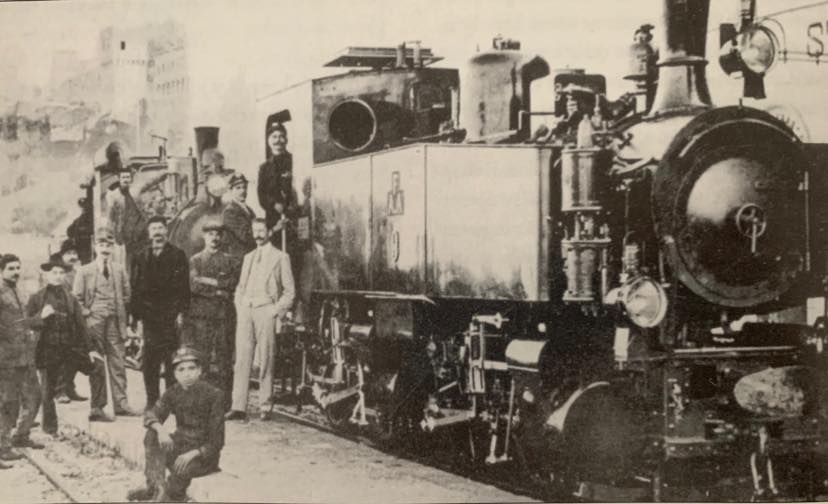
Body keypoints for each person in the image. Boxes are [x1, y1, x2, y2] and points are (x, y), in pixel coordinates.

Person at [127, 347, 224, 502]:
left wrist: (194, 453)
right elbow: (151, 415)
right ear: (175, 374)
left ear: (200, 370)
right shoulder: (174, 392)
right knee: (152, 435)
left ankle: (168, 495)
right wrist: (161, 430)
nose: (187, 374)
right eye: (181, 369)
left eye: (192, 368)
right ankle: (155, 487)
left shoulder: (214, 395)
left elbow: (217, 441)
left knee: (180, 476)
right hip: (180, 446)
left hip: (202, 457)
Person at [226, 218, 295, 421]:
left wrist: (275, 311)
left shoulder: (280, 257)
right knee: (242, 360)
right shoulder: (248, 257)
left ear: (269, 232)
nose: (258, 234)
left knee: (266, 359)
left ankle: (265, 406)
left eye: (261, 230)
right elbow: (240, 286)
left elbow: (290, 292)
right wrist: (239, 305)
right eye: (255, 231)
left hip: (266, 309)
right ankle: (238, 406)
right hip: (246, 309)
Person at [28, 256, 103, 428]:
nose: (58, 276)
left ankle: (97, 408)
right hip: (47, 350)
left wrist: (90, 349)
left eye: (61, 272)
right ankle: (50, 428)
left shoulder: (71, 298)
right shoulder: (37, 298)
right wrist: (41, 316)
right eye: (54, 272)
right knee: (48, 390)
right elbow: (26, 323)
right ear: (47, 274)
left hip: (69, 349)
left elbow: (81, 325)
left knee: (98, 365)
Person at [73, 227, 138, 417]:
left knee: (118, 361)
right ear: (95, 247)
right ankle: (97, 407)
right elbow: (76, 298)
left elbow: (127, 295)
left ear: (112, 248)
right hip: (94, 322)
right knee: (97, 363)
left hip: (115, 322)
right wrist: (88, 313)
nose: (105, 248)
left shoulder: (119, 270)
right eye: (101, 244)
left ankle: (121, 404)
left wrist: (120, 312)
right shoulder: (84, 271)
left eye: (108, 245)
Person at [130, 216, 190, 408]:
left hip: (169, 316)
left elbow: (183, 288)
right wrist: (136, 318)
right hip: (149, 318)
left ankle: (171, 401)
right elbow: (135, 289)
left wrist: (180, 313)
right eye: (154, 228)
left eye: (161, 228)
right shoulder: (140, 257)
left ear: (166, 231)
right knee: (150, 363)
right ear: (149, 233)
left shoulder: (178, 255)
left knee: (171, 359)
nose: (157, 232)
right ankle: (152, 401)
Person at [185, 221, 240, 409]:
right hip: (202, 318)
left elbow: (232, 283)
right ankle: (203, 402)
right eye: (210, 234)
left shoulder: (230, 260)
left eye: (217, 234)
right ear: (204, 237)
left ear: (221, 237)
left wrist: (208, 282)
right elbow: (194, 286)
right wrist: (219, 288)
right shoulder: (195, 260)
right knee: (203, 359)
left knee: (225, 360)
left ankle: (225, 403)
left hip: (224, 317)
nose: (214, 238)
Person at [0, 254, 42, 467]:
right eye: (11, 268)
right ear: (2, 271)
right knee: (8, 403)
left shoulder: (19, 291)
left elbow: (24, 321)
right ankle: (3, 447)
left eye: (18, 267)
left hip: (26, 355)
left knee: (35, 395)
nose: (16, 272)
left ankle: (21, 435)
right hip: (6, 358)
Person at [257, 121, 295, 249]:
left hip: (292, 218)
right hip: (274, 221)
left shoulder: (293, 160)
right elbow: (261, 195)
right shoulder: (264, 168)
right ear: (268, 141)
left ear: (286, 139)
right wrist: (273, 204)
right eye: (274, 137)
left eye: (281, 136)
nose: (278, 140)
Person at [106, 167, 147, 269]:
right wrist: (110, 232)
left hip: (141, 232)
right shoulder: (114, 195)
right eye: (123, 177)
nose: (125, 179)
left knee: (144, 259)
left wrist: (166, 173)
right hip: (127, 235)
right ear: (119, 179)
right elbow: (110, 216)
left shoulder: (135, 191)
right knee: (129, 261)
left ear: (131, 179)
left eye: (128, 177)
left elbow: (149, 183)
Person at [221, 174, 256, 257]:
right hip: (238, 258)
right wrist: (271, 231)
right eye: (238, 188)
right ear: (230, 190)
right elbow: (246, 236)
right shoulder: (230, 212)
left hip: (250, 255)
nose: (242, 191)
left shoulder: (249, 210)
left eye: (244, 187)